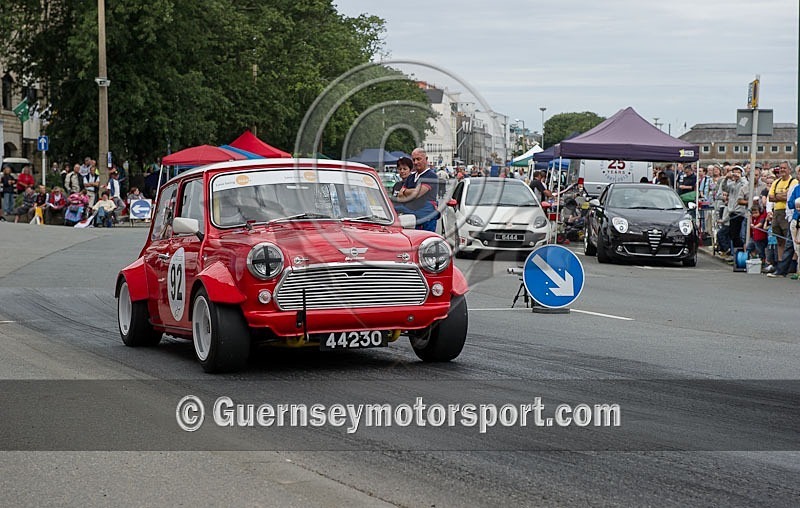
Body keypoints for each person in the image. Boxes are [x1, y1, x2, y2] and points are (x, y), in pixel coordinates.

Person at [391, 148, 439, 231]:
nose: (416, 162)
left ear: (426, 159)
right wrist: (412, 191)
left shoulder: (431, 176)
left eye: (418, 159)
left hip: (427, 220)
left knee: (425, 242)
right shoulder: (411, 177)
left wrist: (405, 191)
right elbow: (400, 196)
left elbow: (417, 194)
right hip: (412, 220)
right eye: (414, 160)